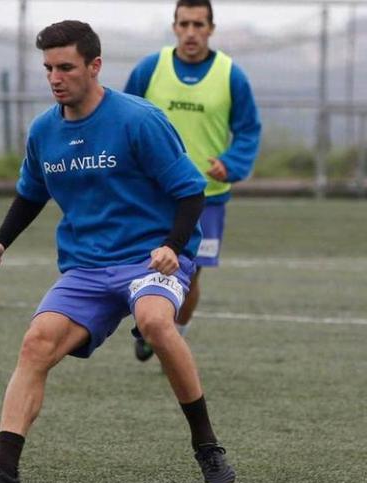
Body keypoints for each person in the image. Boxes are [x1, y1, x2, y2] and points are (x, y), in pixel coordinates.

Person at [0, 20, 235, 483]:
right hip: (87, 268)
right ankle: (3, 473)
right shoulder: (44, 130)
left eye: (66, 67)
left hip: (151, 259)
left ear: (95, 66)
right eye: (48, 68)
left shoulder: (138, 120)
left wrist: (172, 246)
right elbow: (31, 194)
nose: (55, 78)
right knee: (36, 343)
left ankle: (207, 447)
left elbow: (191, 193)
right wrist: (0, 241)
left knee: (153, 320)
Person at [124, 0, 261, 361]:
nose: (191, 32)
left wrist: (231, 163)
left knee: (190, 275)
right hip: (151, 195)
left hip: (206, 197)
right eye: (184, 24)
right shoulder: (150, 68)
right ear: (174, 26)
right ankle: (150, 323)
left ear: (211, 29)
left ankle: (169, 334)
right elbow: (123, 117)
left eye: (199, 25)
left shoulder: (232, 75)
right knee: (143, 262)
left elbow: (248, 130)